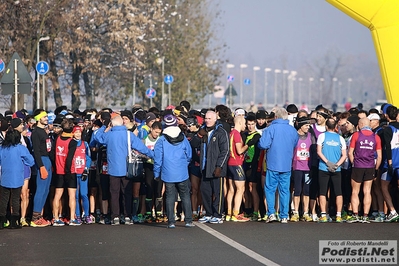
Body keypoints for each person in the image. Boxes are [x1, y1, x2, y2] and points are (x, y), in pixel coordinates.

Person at [93, 112, 154, 225]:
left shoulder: (109, 135)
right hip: (127, 168)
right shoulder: (128, 135)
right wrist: (153, 155)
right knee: (127, 192)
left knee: (114, 193)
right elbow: (141, 148)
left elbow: (97, 137)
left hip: (113, 168)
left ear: (113, 124)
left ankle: (115, 216)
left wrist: (104, 127)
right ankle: (127, 215)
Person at [258, 107, 299, 223]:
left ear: (276, 117)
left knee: (270, 189)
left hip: (273, 163)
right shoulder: (292, 130)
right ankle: (284, 215)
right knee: (285, 190)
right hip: (286, 164)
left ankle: (271, 213)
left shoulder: (270, 129)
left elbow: (263, 144)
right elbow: (295, 144)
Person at [153, 115, 194, 228]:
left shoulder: (161, 140)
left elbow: (158, 159)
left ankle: (171, 221)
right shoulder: (183, 137)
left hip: (167, 172)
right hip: (182, 171)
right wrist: (184, 164)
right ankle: (188, 220)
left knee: (170, 196)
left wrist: (157, 173)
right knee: (185, 195)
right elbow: (189, 154)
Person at [347, 117, 382, 223]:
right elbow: (379, 156)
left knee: (355, 191)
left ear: (361, 124)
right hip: (370, 166)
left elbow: (350, 152)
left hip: (358, 165)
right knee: (367, 191)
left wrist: (354, 163)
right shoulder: (376, 137)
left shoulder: (356, 135)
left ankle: (355, 214)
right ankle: (366, 215)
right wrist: (376, 168)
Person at [0, 129, 35, 229]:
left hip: (5, 176)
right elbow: (30, 161)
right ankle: (14, 221)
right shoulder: (20, 148)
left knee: (3, 199)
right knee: (15, 199)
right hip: (17, 177)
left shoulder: (2, 148)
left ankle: (1, 220)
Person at [199, 110, 229, 224]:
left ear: (215, 119)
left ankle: (218, 214)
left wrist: (219, 166)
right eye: (206, 118)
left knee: (217, 193)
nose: (207, 121)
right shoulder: (203, 131)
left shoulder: (221, 132)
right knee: (205, 192)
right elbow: (195, 145)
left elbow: (225, 151)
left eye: (209, 118)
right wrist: (199, 135)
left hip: (216, 168)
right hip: (205, 167)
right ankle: (208, 213)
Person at [316, 118, 347, 223]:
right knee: (338, 192)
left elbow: (319, 152)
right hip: (336, 169)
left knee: (322, 192)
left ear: (326, 126)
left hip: (323, 167)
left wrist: (327, 162)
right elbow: (344, 155)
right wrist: (336, 165)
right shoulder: (340, 138)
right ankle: (338, 215)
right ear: (336, 127)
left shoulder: (322, 136)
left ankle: (324, 214)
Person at [30, 110, 53, 227]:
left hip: (47, 160)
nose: (46, 118)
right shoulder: (36, 133)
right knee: (40, 189)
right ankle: (35, 217)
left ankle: (40, 215)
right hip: (42, 161)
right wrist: (41, 166)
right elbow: (36, 151)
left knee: (46, 190)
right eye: (44, 117)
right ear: (39, 118)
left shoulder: (45, 132)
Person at [226, 116, 250, 222]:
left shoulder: (231, 133)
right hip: (237, 164)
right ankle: (236, 214)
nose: (245, 125)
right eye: (244, 123)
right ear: (240, 122)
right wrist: (247, 146)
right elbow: (239, 150)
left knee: (231, 189)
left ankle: (229, 212)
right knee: (240, 189)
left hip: (230, 163)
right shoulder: (236, 134)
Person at [291, 116, 315, 222]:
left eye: (309, 125)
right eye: (306, 125)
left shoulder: (311, 136)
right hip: (296, 167)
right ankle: (295, 212)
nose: (308, 127)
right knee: (297, 190)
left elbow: (314, 151)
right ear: (300, 126)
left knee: (306, 191)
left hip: (307, 168)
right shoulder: (294, 136)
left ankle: (305, 212)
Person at [381, 105, 399, 222]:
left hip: (391, 163)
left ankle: (392, 211)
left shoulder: (387, 129)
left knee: (384, 186)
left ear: (386, 116)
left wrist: (390, 162)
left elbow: (387, 146)